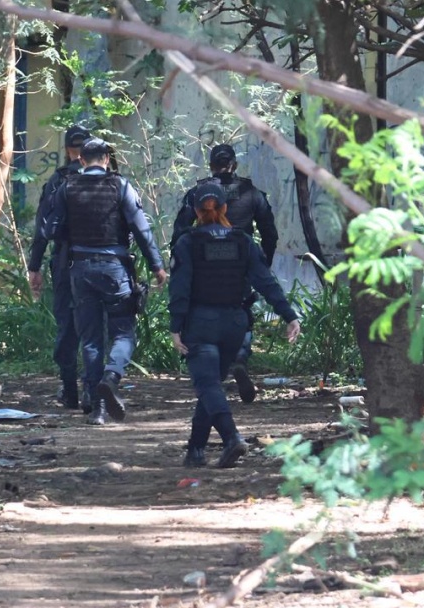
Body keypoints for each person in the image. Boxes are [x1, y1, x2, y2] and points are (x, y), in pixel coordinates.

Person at [169, 183, 300, 468]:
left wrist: (175, 326)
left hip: (200, 324)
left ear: (195, 211)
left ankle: (231, 438)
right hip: (234, 325)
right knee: (211, 385)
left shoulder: (188, 242)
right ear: (225, 208)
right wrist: (289, 315)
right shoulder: (243, 241)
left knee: (207, 385)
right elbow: (265, 282)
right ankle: (195, 450)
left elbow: (180, 288)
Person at [47, 137, 168, 425]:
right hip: (115, 269)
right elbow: (141, 229)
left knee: (90, 340)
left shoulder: (67, 187)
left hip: (80, 269)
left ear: (81, 160)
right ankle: (111, 377)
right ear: (105, 159)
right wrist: (157, 266)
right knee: (124, 333)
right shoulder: (120, 185)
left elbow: (55, 230)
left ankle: (98, 410)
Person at [171, 144, 278, 404]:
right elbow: (269, 233)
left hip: (204, 260)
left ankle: (211, 368)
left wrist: (184, 257)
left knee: (205, 311)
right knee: (241, 309)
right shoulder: (252, 193)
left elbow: (180, 229)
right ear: (235, 165)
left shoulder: (198, 192)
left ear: (210, 165)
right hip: (241, 260)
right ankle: (240, 358)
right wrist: (261, 264)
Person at [28, 125, 91, 410]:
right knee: (95, 325)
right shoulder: (110, 180)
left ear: (68, 149)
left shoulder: (57, 181)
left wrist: (35, 266)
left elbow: (43, 228)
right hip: (99, 263)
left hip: (66, 262)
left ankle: (69, 389)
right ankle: (92, 387)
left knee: (66, 325)